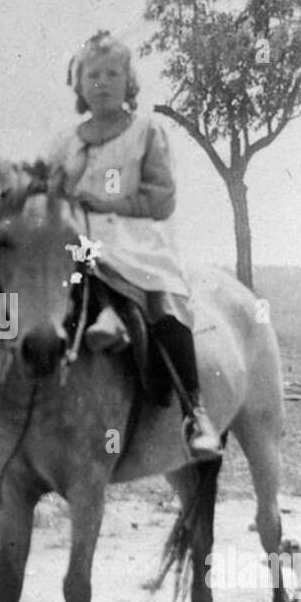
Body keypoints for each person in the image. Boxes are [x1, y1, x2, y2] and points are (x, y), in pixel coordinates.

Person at [44, 30, 222, 457]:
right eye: (92, 74)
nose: (102, 82)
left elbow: (161, 199)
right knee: (39, 281)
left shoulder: (147, 133)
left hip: (137, 238)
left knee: (162, 300)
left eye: (112, 73)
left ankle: (194, 412)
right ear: (79, 84)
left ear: (129, 82)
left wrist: (107, 200)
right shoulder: (64, 143)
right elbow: (50, 196)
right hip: (80, 238)